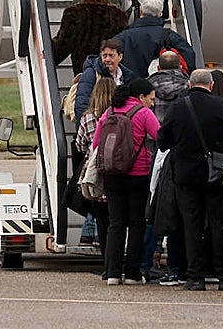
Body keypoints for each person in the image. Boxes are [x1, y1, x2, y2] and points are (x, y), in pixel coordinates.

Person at [157, 68, 223, 291]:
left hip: (186, 175)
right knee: (219, 224)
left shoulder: (178, 107)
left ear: (189, 84)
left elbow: (162, 141)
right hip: (214, 174)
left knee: (192, 225)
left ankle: (195, 277)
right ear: (211, 85)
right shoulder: (220, 106)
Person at [94, 78, 160, 285]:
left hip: (112, 175)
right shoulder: (143, 113)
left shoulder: (109, 113)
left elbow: (96, 142)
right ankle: (132, 272)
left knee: (115, 223)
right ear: (140, 97)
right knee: (136, 223)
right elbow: (161, 136)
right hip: (137, 174)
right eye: (151, 98)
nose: (152, 103)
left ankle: (112, 272)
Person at [52, 0, 129, 72]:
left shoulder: (73, 14)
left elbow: (63, 44)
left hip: (82, 68)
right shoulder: (117, 15)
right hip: (109, 70)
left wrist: (52, 57)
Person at [74, 76, 116, 246]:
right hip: (115, 170)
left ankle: (105, 255)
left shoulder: (87, 117)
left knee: (101, 218)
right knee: (116, 220)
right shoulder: (120, 115)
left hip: (95, 172)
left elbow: (79, 145)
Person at [112, 0, 194, 76]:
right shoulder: (168, 36)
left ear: (141, 11)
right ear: (160, 14)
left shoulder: (124, 37)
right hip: (161, 85)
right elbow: (189, 57)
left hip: (132, 86)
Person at [73, 39, 137, 121]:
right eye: (104, 55)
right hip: (96, 126)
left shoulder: (128, 76)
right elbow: (81, 105)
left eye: (111, 55)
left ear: (120, 57)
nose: (107, 59)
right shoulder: (91, 74)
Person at [149, 51, 189, 125]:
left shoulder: (147, 86)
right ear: (180, 67)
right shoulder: (189, 86)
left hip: (155, 132)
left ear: (158, 68)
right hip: (180, 132)